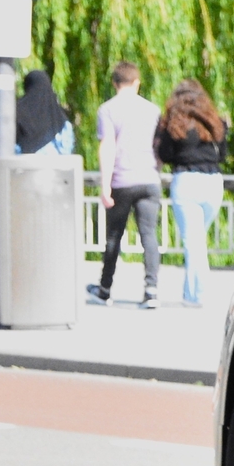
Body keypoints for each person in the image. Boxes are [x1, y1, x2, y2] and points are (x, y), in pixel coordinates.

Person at [89, 61, 163, 308]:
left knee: (113, 236)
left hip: (122, 181)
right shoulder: (152, 110)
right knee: (149, 236)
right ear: (137, 82)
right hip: (149, 180)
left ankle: (104, 289)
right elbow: (159, 147)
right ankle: (151, 291)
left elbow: (108, 147)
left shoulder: (107, 110)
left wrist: (105, 185)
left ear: (114, 83)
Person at [156, 79, 228, 308]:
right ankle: (191, 292)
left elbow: (165, 154)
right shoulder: (216, 123)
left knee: (193, 242)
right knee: (197, 241)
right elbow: (223, 156)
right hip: (214, 183)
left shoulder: (174, 123)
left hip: (187, 181)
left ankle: (196, 295)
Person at [12, 69, 73, 156]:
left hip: (22, 168)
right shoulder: (60, 120)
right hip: (54, 168)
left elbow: (11, 148)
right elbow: (66, 150)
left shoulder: (17, 113)